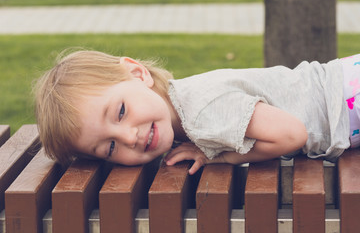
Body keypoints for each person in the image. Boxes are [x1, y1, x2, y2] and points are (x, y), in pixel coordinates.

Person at [34, 50, 360, 175]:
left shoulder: (202, 111)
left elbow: (292, 134)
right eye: (110, 147)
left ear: (137, 74)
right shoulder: (182, 106)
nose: (129, 136)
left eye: (120, 112)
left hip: (349, 98)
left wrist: (220, 157)